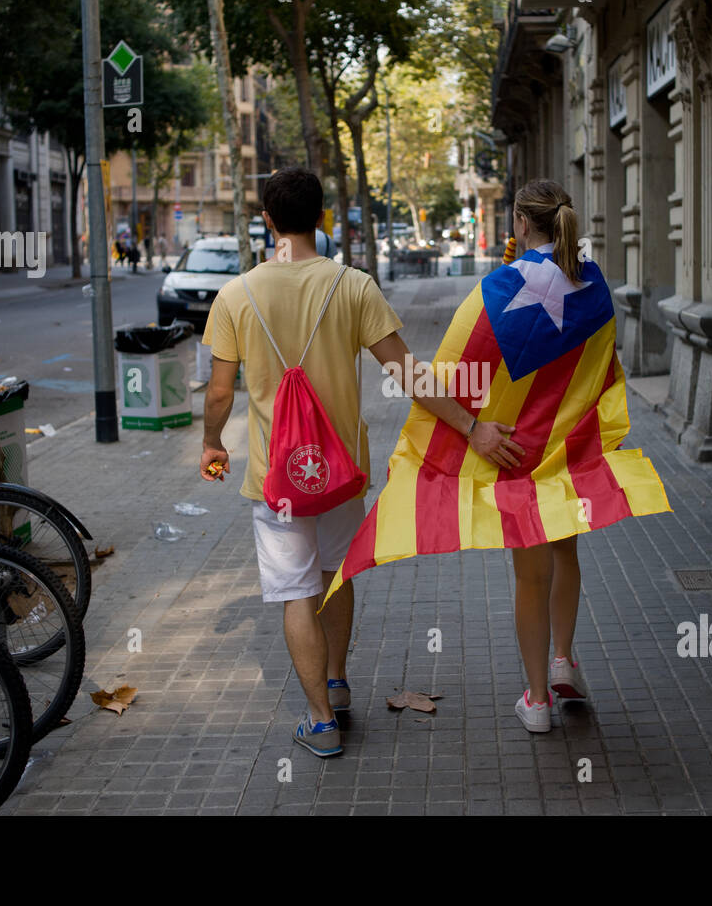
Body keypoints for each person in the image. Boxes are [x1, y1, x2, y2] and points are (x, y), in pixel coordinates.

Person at [321, 178, 671, 734]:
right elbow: (606, 370)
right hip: (567, 453)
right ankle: (563, 660)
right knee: (566, 557)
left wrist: (469, 433)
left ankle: (536, 700)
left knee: (530, 576)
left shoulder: (494, 291)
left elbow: (454, 373)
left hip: (515, 452)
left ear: (519, 222)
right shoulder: (594, 283)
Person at [199, 167, 512, 758]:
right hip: (341, 473)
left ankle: (320, 720)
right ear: (322, 218)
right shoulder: (353, 285)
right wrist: (472, 429)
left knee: (296, 592)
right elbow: (410, 372)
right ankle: (337, 681)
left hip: (276, 479)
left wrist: (213, 442)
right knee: (333, 575)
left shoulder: (236, 296)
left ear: (268, 221)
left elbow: (218, 393)